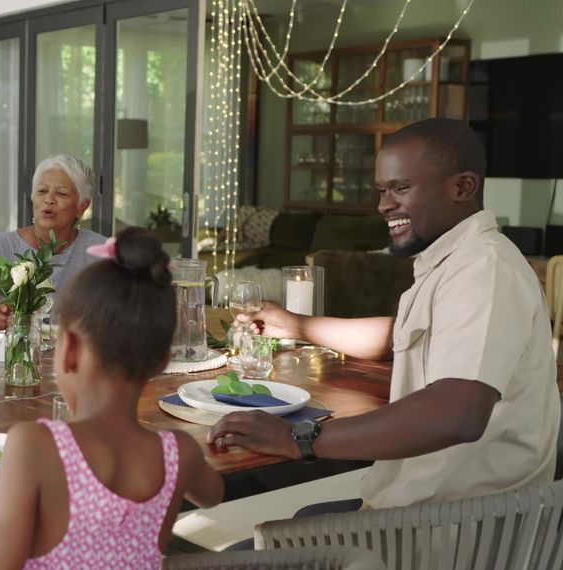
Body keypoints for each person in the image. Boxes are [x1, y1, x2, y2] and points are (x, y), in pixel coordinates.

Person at [208, 118, 559, 519]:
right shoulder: (455, 261)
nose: (383, 205)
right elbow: (395, 335)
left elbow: (458, 412)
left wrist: (300, 438)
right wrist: (294, 323)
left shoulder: (485, 267)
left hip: (450, 530)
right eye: (381, 190)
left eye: (401, 188)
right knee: (292, 517)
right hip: (418, 509)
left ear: (463, 187)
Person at [0, 228, 223, 569]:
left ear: (69, 353)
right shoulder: (180, 453)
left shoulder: (36, 446)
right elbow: (213, 494)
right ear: (163, 361)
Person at [0, 154, 106, 331]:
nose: (49, 200)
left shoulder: (98, 252)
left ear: (82, 207)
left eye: (61, 193)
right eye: (42, 191)